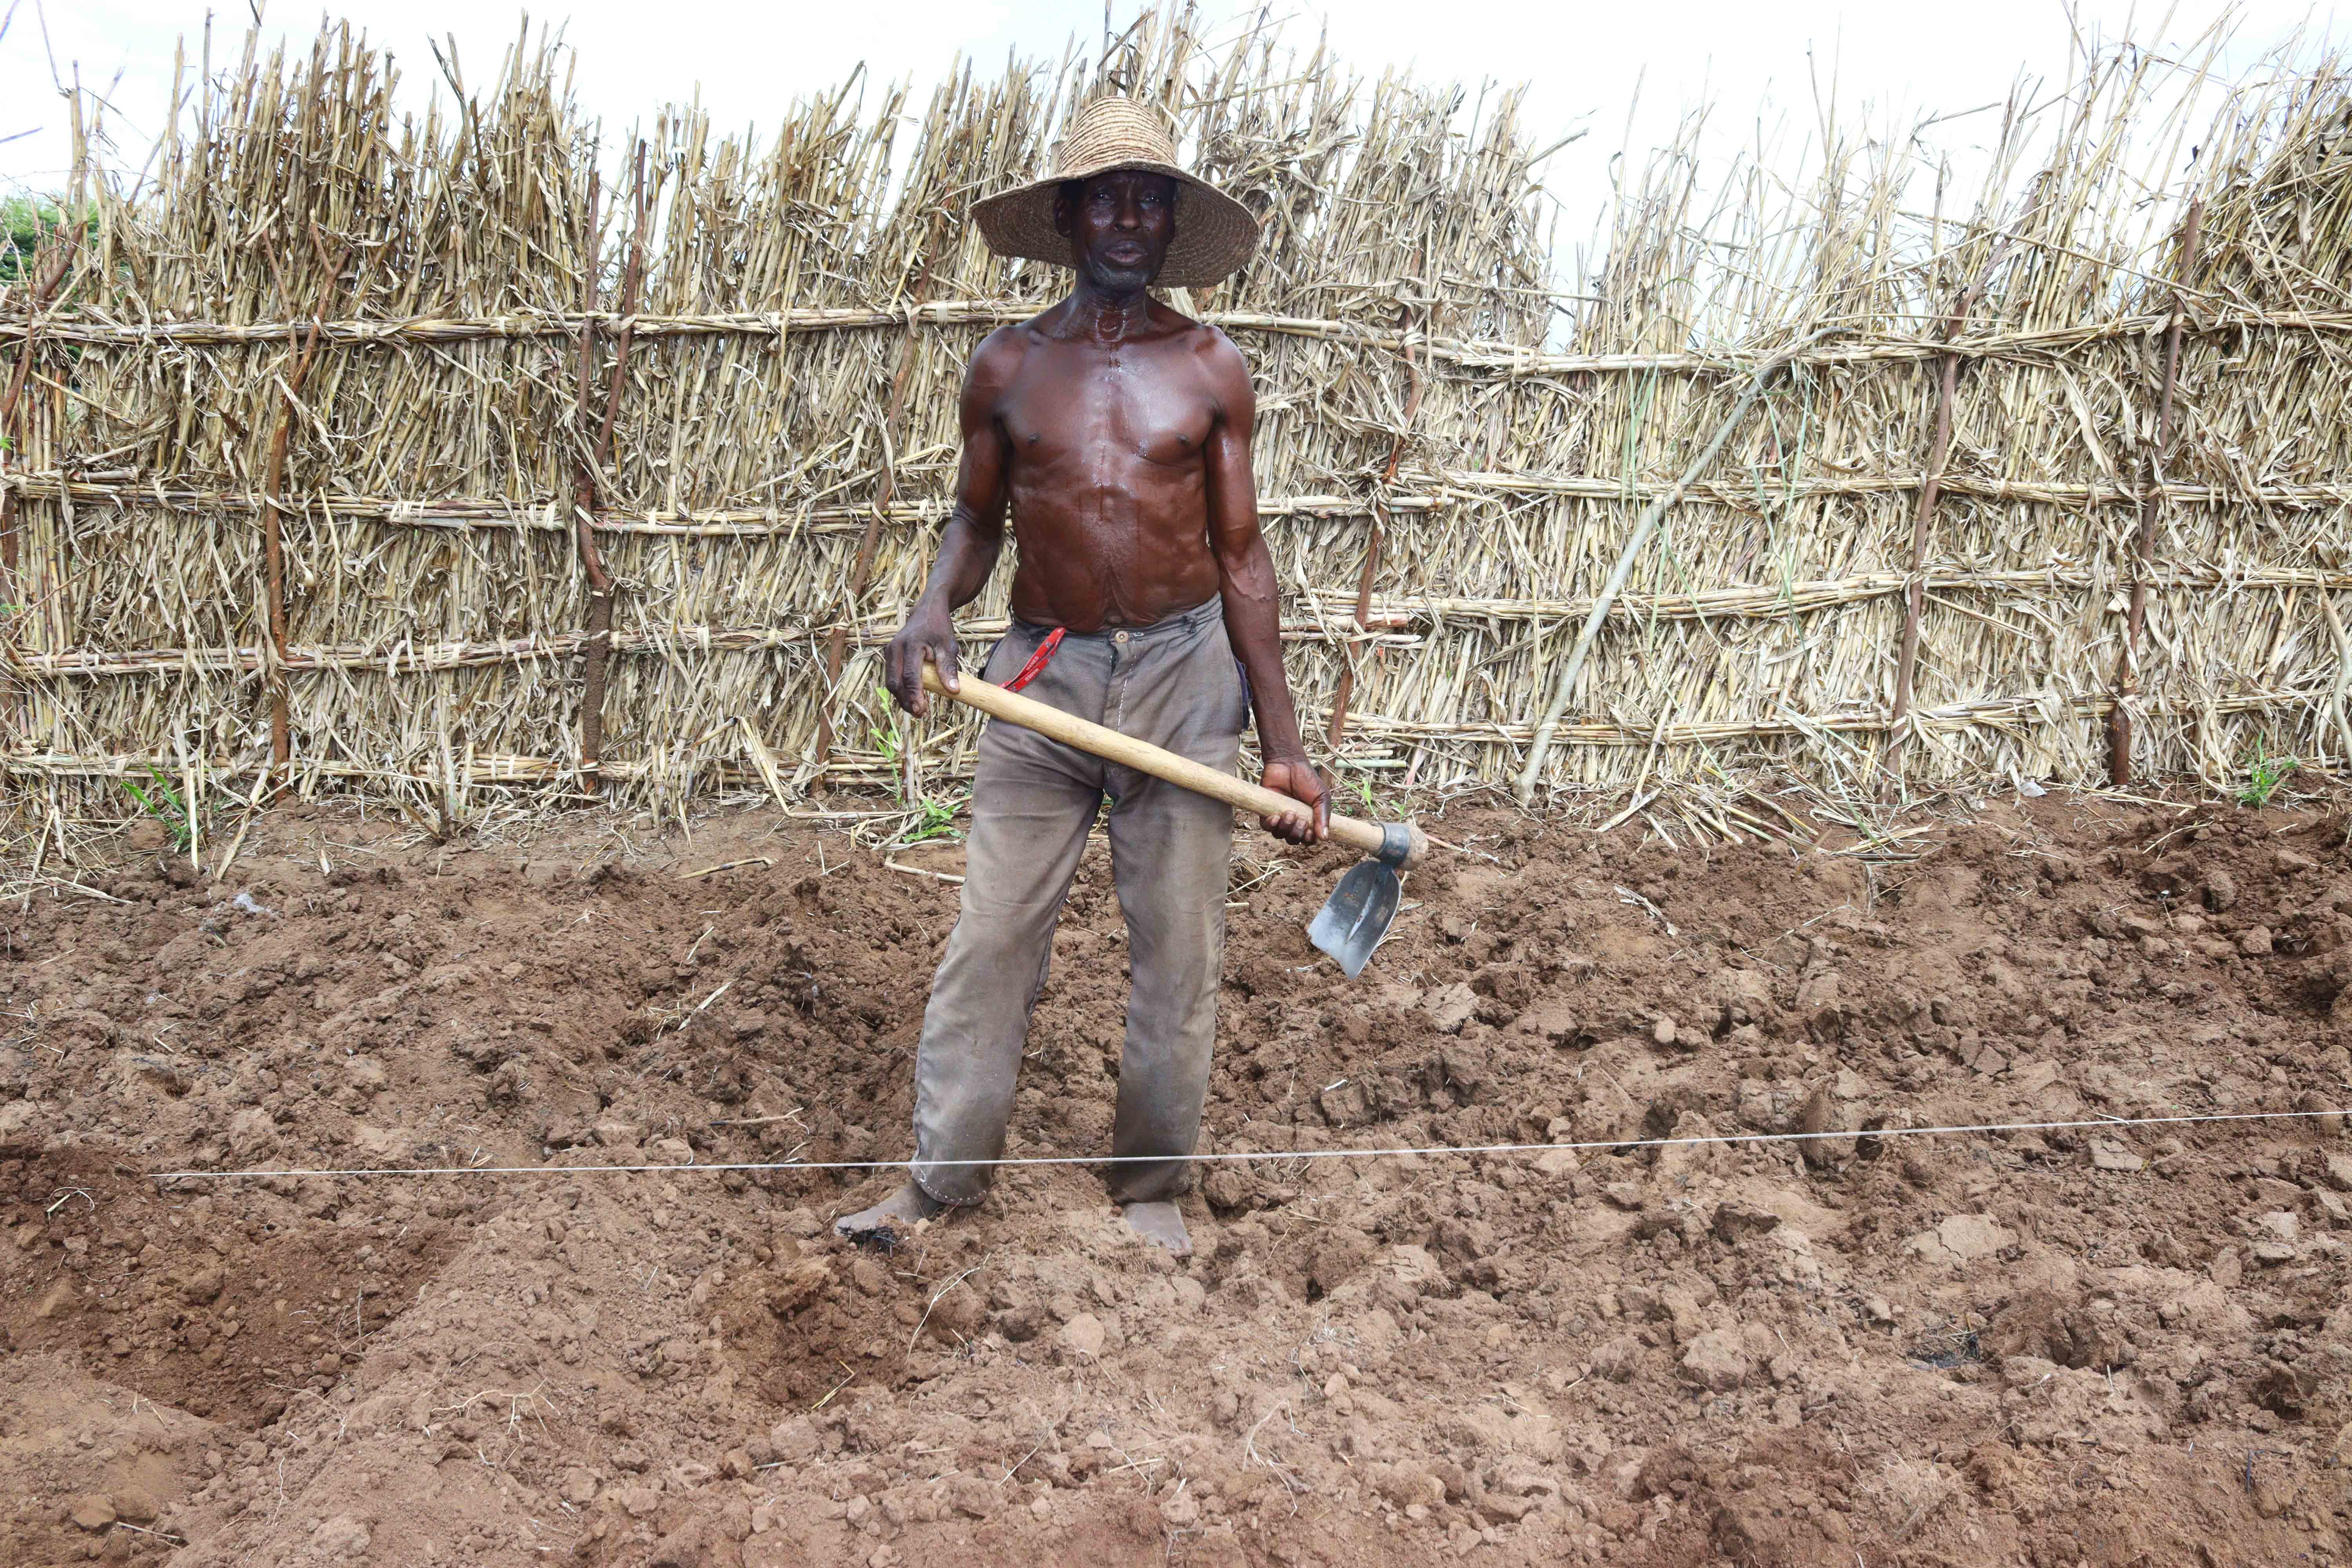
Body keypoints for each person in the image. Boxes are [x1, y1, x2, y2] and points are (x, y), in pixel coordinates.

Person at [834, 97, 1329, 1257]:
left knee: (1180, 943)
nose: (1127, 218)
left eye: (1149, 199)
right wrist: (929, 610)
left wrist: (1284, 743)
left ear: (1170, 222)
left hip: (1183, 673)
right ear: (1067, 217)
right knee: (991, 932)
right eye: (1104, 196)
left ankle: (1151, 1182)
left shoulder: (1212, 370)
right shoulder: (1009, 367)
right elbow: (973, 523)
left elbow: (1243, 559)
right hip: (1042, 678)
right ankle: (943, 1180)